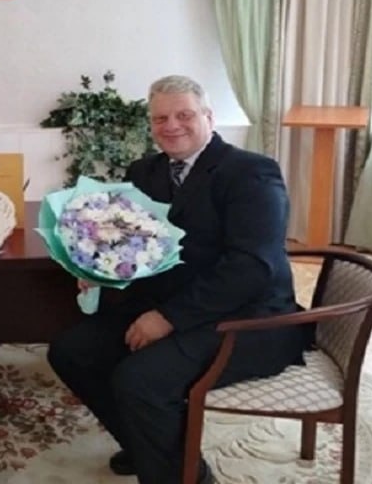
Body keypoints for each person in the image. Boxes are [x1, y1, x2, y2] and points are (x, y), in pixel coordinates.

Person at [48, 75, 310, 484]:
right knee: (71, 351)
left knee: (140, 381)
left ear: (208, 117)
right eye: (160, 118)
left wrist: (168, 318)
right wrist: (99, 272)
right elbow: (129, 243)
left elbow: (251, 268)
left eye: (184, 115)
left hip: (249, 318)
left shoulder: (252, 172)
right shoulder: (143, 172)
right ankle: (147, 446)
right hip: (170, 303)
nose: (171, 126)